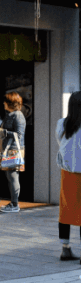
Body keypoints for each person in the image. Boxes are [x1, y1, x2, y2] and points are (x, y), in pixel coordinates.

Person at [0, 92, 26, 213]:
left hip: (14, 150)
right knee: (10, 177)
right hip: (8, 150)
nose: (3, 103)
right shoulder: (10, 115)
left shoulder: (18, 116)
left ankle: (15, 204)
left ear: (10, 103)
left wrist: (2, 131)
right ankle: (13, 203)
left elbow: (19, 135)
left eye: (5, 101)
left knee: (13, 176)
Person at [57, 92, 81, 262]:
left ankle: (65, 249)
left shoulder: (63, 124)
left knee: (65, 210)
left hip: (67, 174)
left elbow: (61, 144)